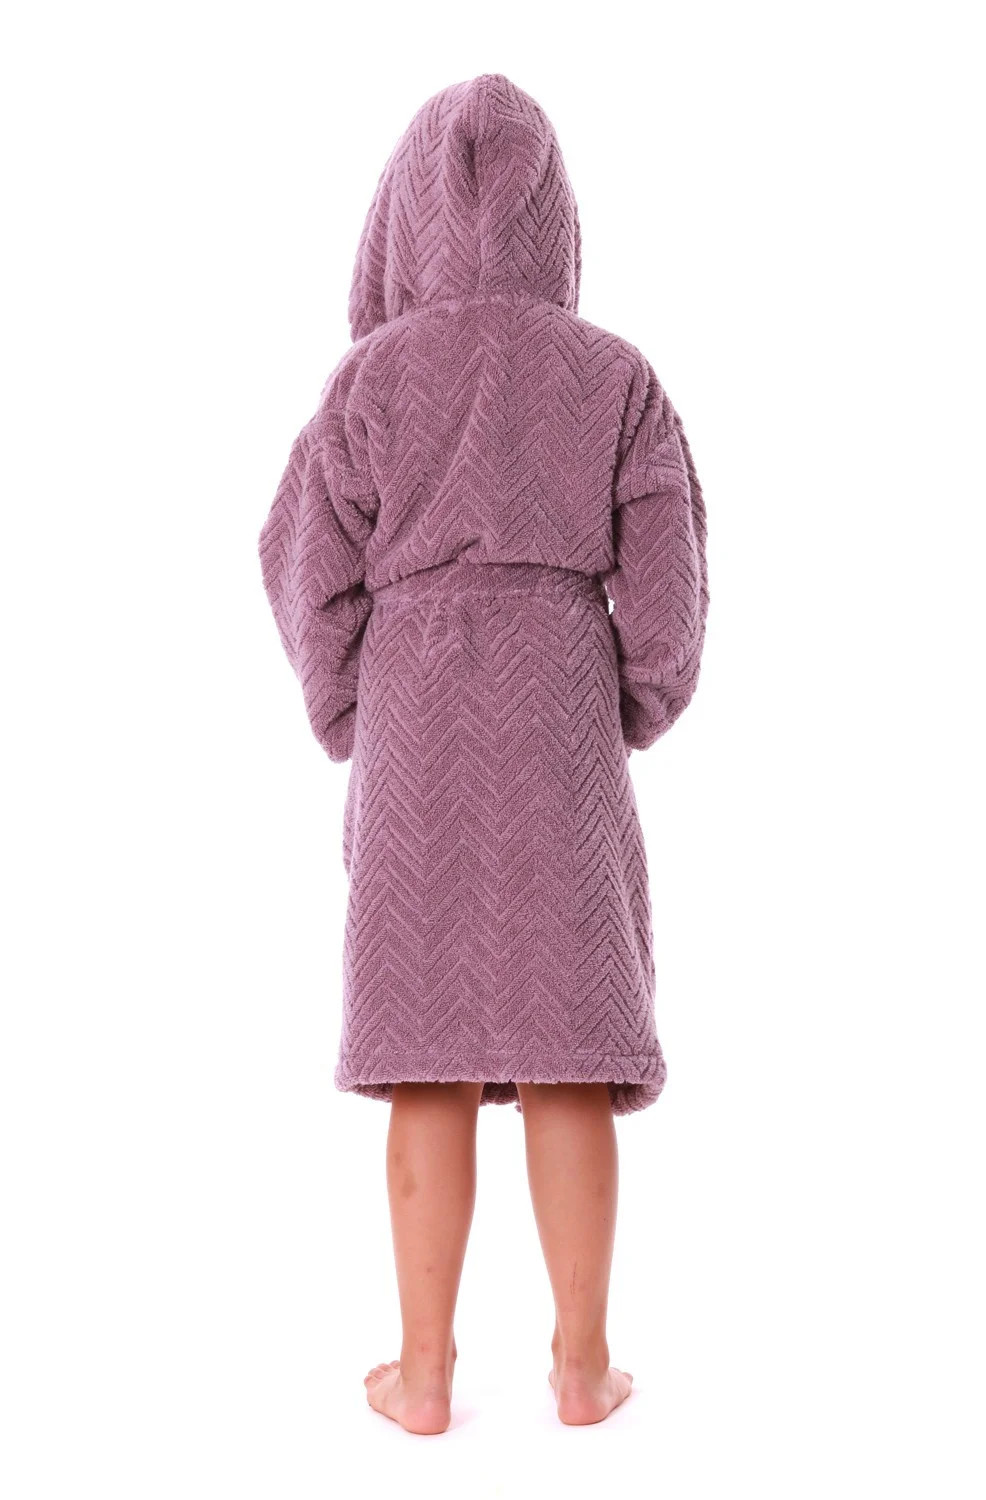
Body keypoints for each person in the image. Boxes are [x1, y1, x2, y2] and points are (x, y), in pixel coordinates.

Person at [258, 72, 709, 1434]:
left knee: (426, 1050)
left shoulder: (370, 383)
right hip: (561, 718)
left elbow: (300, 560)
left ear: (401, 225)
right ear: (556, 223)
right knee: (572, 1050)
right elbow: (670, 572)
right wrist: (636, 697)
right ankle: (582, 1365)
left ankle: (423, 1373)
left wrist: (350, 703)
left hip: (415, 728)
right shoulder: (614, 378)